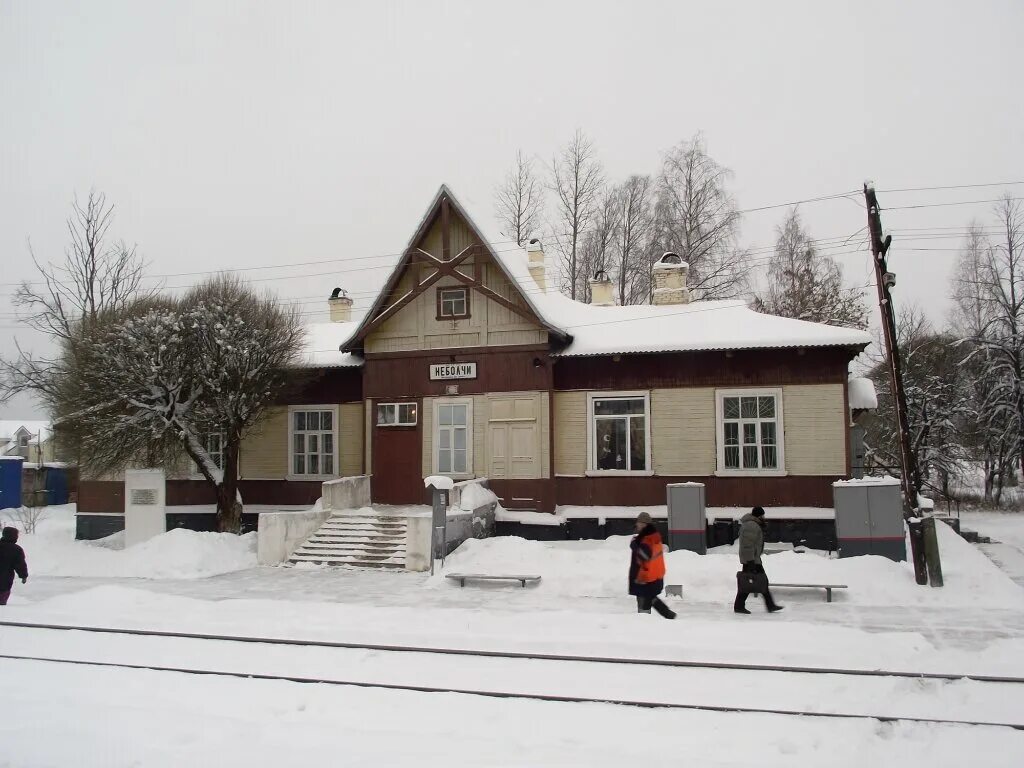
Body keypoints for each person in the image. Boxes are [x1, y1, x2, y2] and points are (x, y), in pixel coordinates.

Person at [734, 507, 783, 614]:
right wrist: (750, 561)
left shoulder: (752, 524)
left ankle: (770, 605)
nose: (764, 518)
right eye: (763, 516)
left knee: (759, 581)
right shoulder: (751, 525)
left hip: (753, 558)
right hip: (751, 560)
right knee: (753, 582)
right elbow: (747, 545)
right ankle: (739, 606)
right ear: (758, 516)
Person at [629, 512, 676, 619]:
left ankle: (645, 623)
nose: (638, 525)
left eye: (640, 523)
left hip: (644, 577)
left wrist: (634, 545)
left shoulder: (647, 539)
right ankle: (668, 614)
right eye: (638, 522)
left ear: (645, 524)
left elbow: (644, 555)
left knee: (644, 602)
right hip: (652, 576)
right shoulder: (653, 536)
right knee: (650, 598)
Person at [0, 526, 29, 606]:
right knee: (1, 603)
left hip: (5, 580)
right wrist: (23, 576)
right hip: (5, 581)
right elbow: (20, 564)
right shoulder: (16, 549)